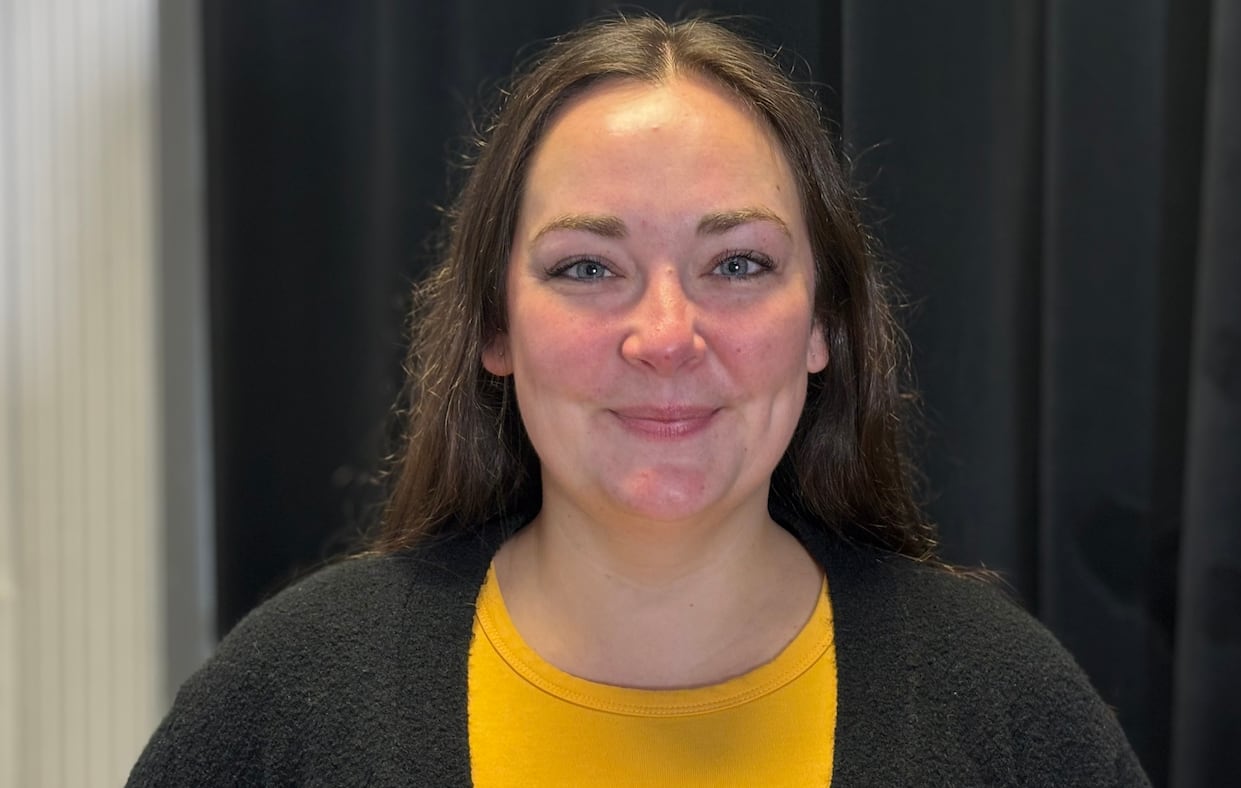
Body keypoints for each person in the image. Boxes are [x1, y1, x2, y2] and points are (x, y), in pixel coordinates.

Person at [129, 15, 1151, 787]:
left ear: (822, 327)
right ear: (494, 327)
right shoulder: (285, 707)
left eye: (737, 261)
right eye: (585, 268)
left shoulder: (1010, 715)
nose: (665, 334)